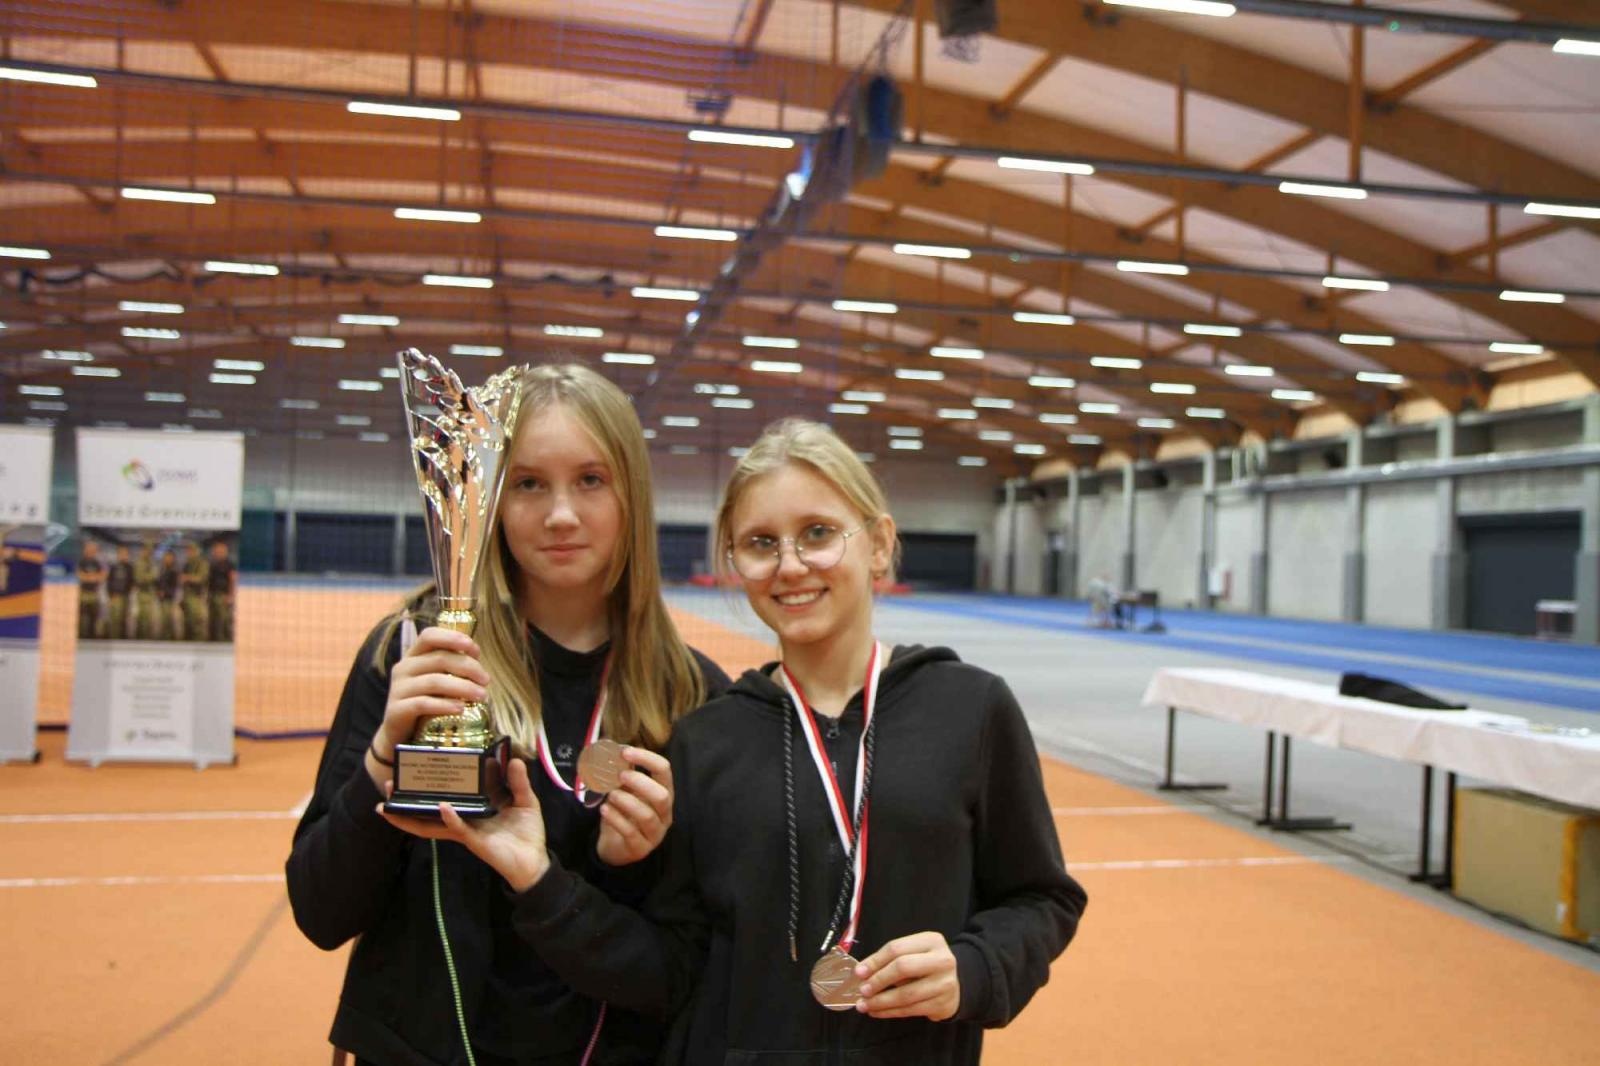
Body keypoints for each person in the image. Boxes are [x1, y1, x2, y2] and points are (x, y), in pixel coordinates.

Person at [429, 418, 1087, 1065]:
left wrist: (976, 968)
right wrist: (539, 880)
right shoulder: (703, 738)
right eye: (760, 543)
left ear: (880, 544)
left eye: (818, 533)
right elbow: (671, 969)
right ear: (735, 562)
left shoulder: (970, 709)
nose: (790, 565)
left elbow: (1042, 897)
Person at [286, 363, 731, 1066]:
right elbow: (321, 912)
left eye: (591, 479)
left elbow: (677, 978)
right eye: (527, 483)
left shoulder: (692, 696)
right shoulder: (414, 654)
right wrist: (379, 763)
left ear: (632, 494)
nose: (561, 514)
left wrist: (630, 867)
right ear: (487, 497)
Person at [76, 539, 107, 639]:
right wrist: (91, 577)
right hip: (83, 593)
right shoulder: (81, 561)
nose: (91, 551)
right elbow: (79, 575)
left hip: (94, 594)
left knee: (94, 616)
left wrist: (90, 577)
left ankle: (92, 636)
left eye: (93, 549)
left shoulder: (97, 562)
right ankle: (81, 635)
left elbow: (103, 576)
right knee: (82, 617)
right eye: (89, 549)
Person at [206, 540, 235, 642]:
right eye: (215, 550)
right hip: (213, 595)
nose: (217, 552)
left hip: (223, 596)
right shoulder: (212, 564)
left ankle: (225, 640)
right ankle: (214, 640)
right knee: (213, 620)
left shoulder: (229, 564)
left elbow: (233, 579)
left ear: (225, 551)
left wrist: (230, 595)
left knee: (224, 620)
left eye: (219, 550)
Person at [179, 541, 208, 641]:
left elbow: (202, 578)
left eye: (191, 550)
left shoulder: (202, 563)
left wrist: (187, 578)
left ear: (196, 551)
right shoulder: (187, 564)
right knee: (187, 623)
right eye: (188, 550)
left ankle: (197, 643)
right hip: (186, 596)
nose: (189, 553)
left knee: (196, 623)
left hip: (196, 597)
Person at [132, 542, 160, 640]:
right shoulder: (140, 563)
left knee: (148, 619)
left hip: (150, 594)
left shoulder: (151, 563)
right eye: (147, 550)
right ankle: (141, 639)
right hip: (143, 594)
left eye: (151, 551)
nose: (149, 552)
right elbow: (139, 578)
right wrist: (152, 575)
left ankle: (146, 638)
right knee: (143, 619)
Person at [157, 549, 181, 640]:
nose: (167, 559)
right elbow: (159, 582)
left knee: (168, 620)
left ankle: (169, 638)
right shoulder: (162, 569)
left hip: (169, 599)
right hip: (162, 599)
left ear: (173, 558)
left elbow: (175, 586)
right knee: (163, 620)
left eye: (169, 557)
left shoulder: (174, 570)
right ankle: (165, 637)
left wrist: (165, 592)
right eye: (166, 557)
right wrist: (158, 591)